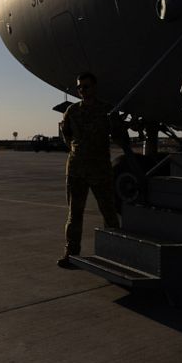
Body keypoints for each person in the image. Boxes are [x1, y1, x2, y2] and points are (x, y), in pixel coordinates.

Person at [56, 72, 125, 269]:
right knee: (74, 214)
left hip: (100, 170)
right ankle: (71, 253)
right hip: (76, 170)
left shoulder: (107, 110)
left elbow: (119, 135)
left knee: (109, 213)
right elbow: (67, 136)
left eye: (86, 87)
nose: (82, 91)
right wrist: (78, 151)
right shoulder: (72, 111)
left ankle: (115, 255)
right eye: (79, 87)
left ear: (94, 87)